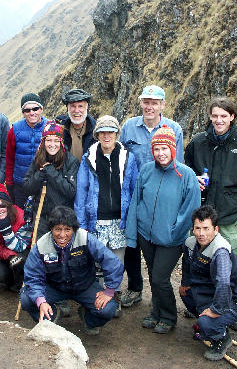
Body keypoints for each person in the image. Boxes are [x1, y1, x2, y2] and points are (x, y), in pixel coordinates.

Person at [125, 125, 200, 334]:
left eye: (164, 149)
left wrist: (174, 232)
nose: (160, 153)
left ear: (173, 149)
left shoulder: (186, 175)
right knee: (153, 274)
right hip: (146, 235)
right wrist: (134, 233)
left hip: (171, 239)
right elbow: (136, 201)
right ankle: (156, 312)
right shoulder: (147, 170)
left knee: (159, 278)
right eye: (156, 149)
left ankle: (168, 316)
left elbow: (190, 211)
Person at [119, 84, 184, 309]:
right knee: (131, 244)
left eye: (154, 103)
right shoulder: (128, 127)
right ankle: (135, 288)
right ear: (141, 103)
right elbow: (121, 158)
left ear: (162, 105)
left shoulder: (174, 128)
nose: (149, 106)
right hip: (131, 196)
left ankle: (159, 297)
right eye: (146, 102)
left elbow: (179, 166)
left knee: (155, 243)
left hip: (160, 197)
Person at [184, 96, 237, 259]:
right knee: (196, 259)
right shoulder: (198, 142)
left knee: (229, 261)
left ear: (232, 117)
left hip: (228, 216)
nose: (219, 120)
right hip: (200, 214)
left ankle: (228, 286)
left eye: (223, 116)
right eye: (215, 116)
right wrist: (193, 179)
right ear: (210, 116)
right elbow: (185, 169)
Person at [20, 206, 124, 335]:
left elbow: (113, 262)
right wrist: (41, 301)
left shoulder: (86, 238)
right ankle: (52, 318)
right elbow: (32, 277)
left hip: (85, 286)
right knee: (26, 299)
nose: (62, 235)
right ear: (51, 229)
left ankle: (88, 318)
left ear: (74, 229)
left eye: (67, 230)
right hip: (54, 288)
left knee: (108, 309)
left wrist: (109, 291)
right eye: (58, 229)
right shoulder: (41, 246)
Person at [74, 115, 139, 317]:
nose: (107, 135)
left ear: (117, 134)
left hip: (120, 221)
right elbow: (81, 192)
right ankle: (96, 298)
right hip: (96, 220)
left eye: (110, 132)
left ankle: (114, 296)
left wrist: (132, 220)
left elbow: (134, 189)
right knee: (96, 261)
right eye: (102, 132)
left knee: (117, 262)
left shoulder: (129, 157)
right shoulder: (88, 159)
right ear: (97, 135)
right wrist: (82, 223)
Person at [179, 205, 237, 361]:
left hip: (233, 300)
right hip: (209, 291)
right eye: (197, 228)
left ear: (215, 229)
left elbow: (224, 283)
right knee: (185, 293)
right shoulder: (190, 243)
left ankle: (222, 338)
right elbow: (186, 263)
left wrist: (216, 310)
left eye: (206, 228)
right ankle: (214, 321)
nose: (201, 233)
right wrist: (185, 282)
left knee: (206, 322)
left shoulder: (221, 251)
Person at [22, 120, 80, 240]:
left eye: (56, 140)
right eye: (48, 140)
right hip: (41, 217)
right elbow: (27, 187)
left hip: (63, 219)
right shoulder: (38, 159)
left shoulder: (71, 161)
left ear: (61, 142)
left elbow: (71, 191)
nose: (52, 144)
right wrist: (40, 174)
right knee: (42, 253)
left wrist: (50, 171)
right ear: (43, 142)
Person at [0, 184, 32, 291]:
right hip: (5, 253)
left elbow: (21, 246)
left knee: (21, 262)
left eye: (2, 205)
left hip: (24, 250)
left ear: (8, 205)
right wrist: (10, 256)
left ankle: (22, 281)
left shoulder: (22, 217)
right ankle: (12, 277)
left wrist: (6, 231)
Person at [5, 92, 48, 208]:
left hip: (45, 185)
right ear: (23, 113)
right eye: (27, 110)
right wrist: (9, 184)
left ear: (41, 109)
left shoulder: (50, 128)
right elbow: (9, 159)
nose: (32, 113)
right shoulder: (14, 130)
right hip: (20, 186)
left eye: (35, 108)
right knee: (21, 220)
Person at [56, 88, 97, 162]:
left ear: (87, 107)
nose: (76, 110)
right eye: (73, 106)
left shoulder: (97, 130)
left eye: (80, 106)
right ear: (67, 108)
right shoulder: (59, 129)